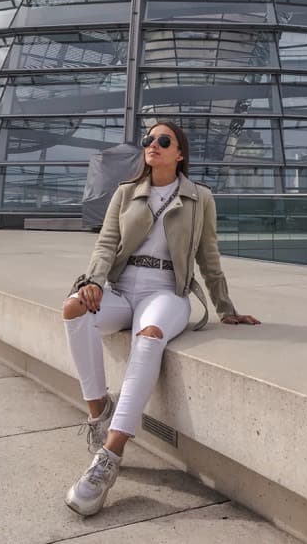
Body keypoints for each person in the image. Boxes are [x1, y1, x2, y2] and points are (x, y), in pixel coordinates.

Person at [62, 120, 260, 517]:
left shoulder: (199, 197)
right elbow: (106, 244)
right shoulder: (125, 193)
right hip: (121, 284)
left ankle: (109, 455)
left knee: (150, 336)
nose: (153, 144)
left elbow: (209, 257)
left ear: (179, 153)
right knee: (73, 308)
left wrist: (225, 308)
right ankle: (98, 409)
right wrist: (93, 282)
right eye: (149, 140)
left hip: (165, 291)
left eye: (163, 140)